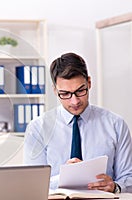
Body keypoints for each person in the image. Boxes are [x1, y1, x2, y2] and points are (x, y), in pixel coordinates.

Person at [24, 52, 132, 193]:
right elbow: (32, 184)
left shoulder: (115, 125)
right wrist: (64, 178)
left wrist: (115, 187)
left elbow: (129, 179)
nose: (74, 101)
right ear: (55, 90)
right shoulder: (38, 128)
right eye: (65, 94)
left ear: (89, 83)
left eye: (80, 91)